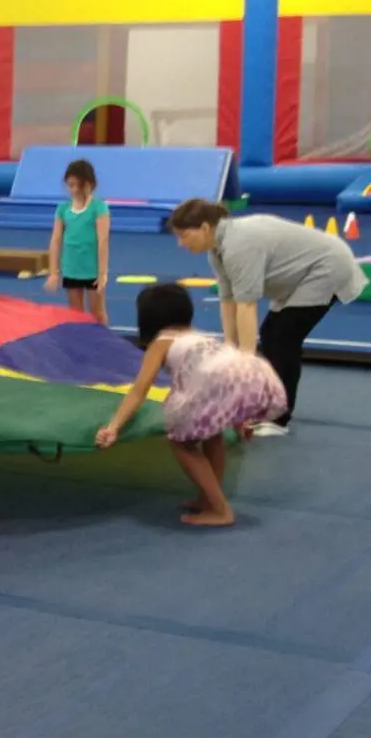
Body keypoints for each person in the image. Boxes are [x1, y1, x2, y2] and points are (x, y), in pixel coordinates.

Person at [169, 199, 367, 436]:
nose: (180, 244)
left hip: (327, 268)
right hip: (299, 274)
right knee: (272, 333)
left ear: (204, 228)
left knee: (283, 337)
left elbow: (246, 305)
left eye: (183, 235)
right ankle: (269, 404)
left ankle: (278, 418)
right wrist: (230, 348)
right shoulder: (216, 250)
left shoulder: (239, 245)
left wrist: (245, 360)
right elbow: (227, 300)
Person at [97, 283, 285, 527]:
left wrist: (114, 426)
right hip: (254, 372)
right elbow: (229, 381)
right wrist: (240, 419)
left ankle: (220, 509)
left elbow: (139, 391)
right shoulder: (201, 336)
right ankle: (209, 498)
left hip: (220, 382)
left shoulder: (161, 342)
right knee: (212, 433)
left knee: (181, 442)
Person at [45, 159, 110, 324]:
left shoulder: (98, 207)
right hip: (71, 268)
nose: (74, 189)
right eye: (70, 185)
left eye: (77, 185)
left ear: (89, 184)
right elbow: (56, 239)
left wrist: (102, 273)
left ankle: (105, 346)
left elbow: (103, 240)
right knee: (76, 315)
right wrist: (54, 272)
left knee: (98, 314)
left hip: (92, 269)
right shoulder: (63, 209)